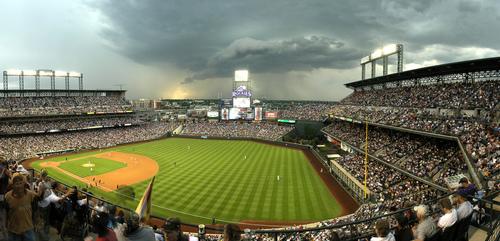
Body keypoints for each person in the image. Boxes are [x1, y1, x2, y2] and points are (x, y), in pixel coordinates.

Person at [5, 173, 45, 241]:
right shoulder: (7, 197)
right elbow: (6, 212)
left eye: (20, 183)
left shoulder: (31, 195)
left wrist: (37, 223)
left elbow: (35, 210)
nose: (19, 186)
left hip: (28, 229)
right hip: (13, 230)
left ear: (24, 184)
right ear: (13, 185)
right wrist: (5, 225)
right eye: (16, 184)